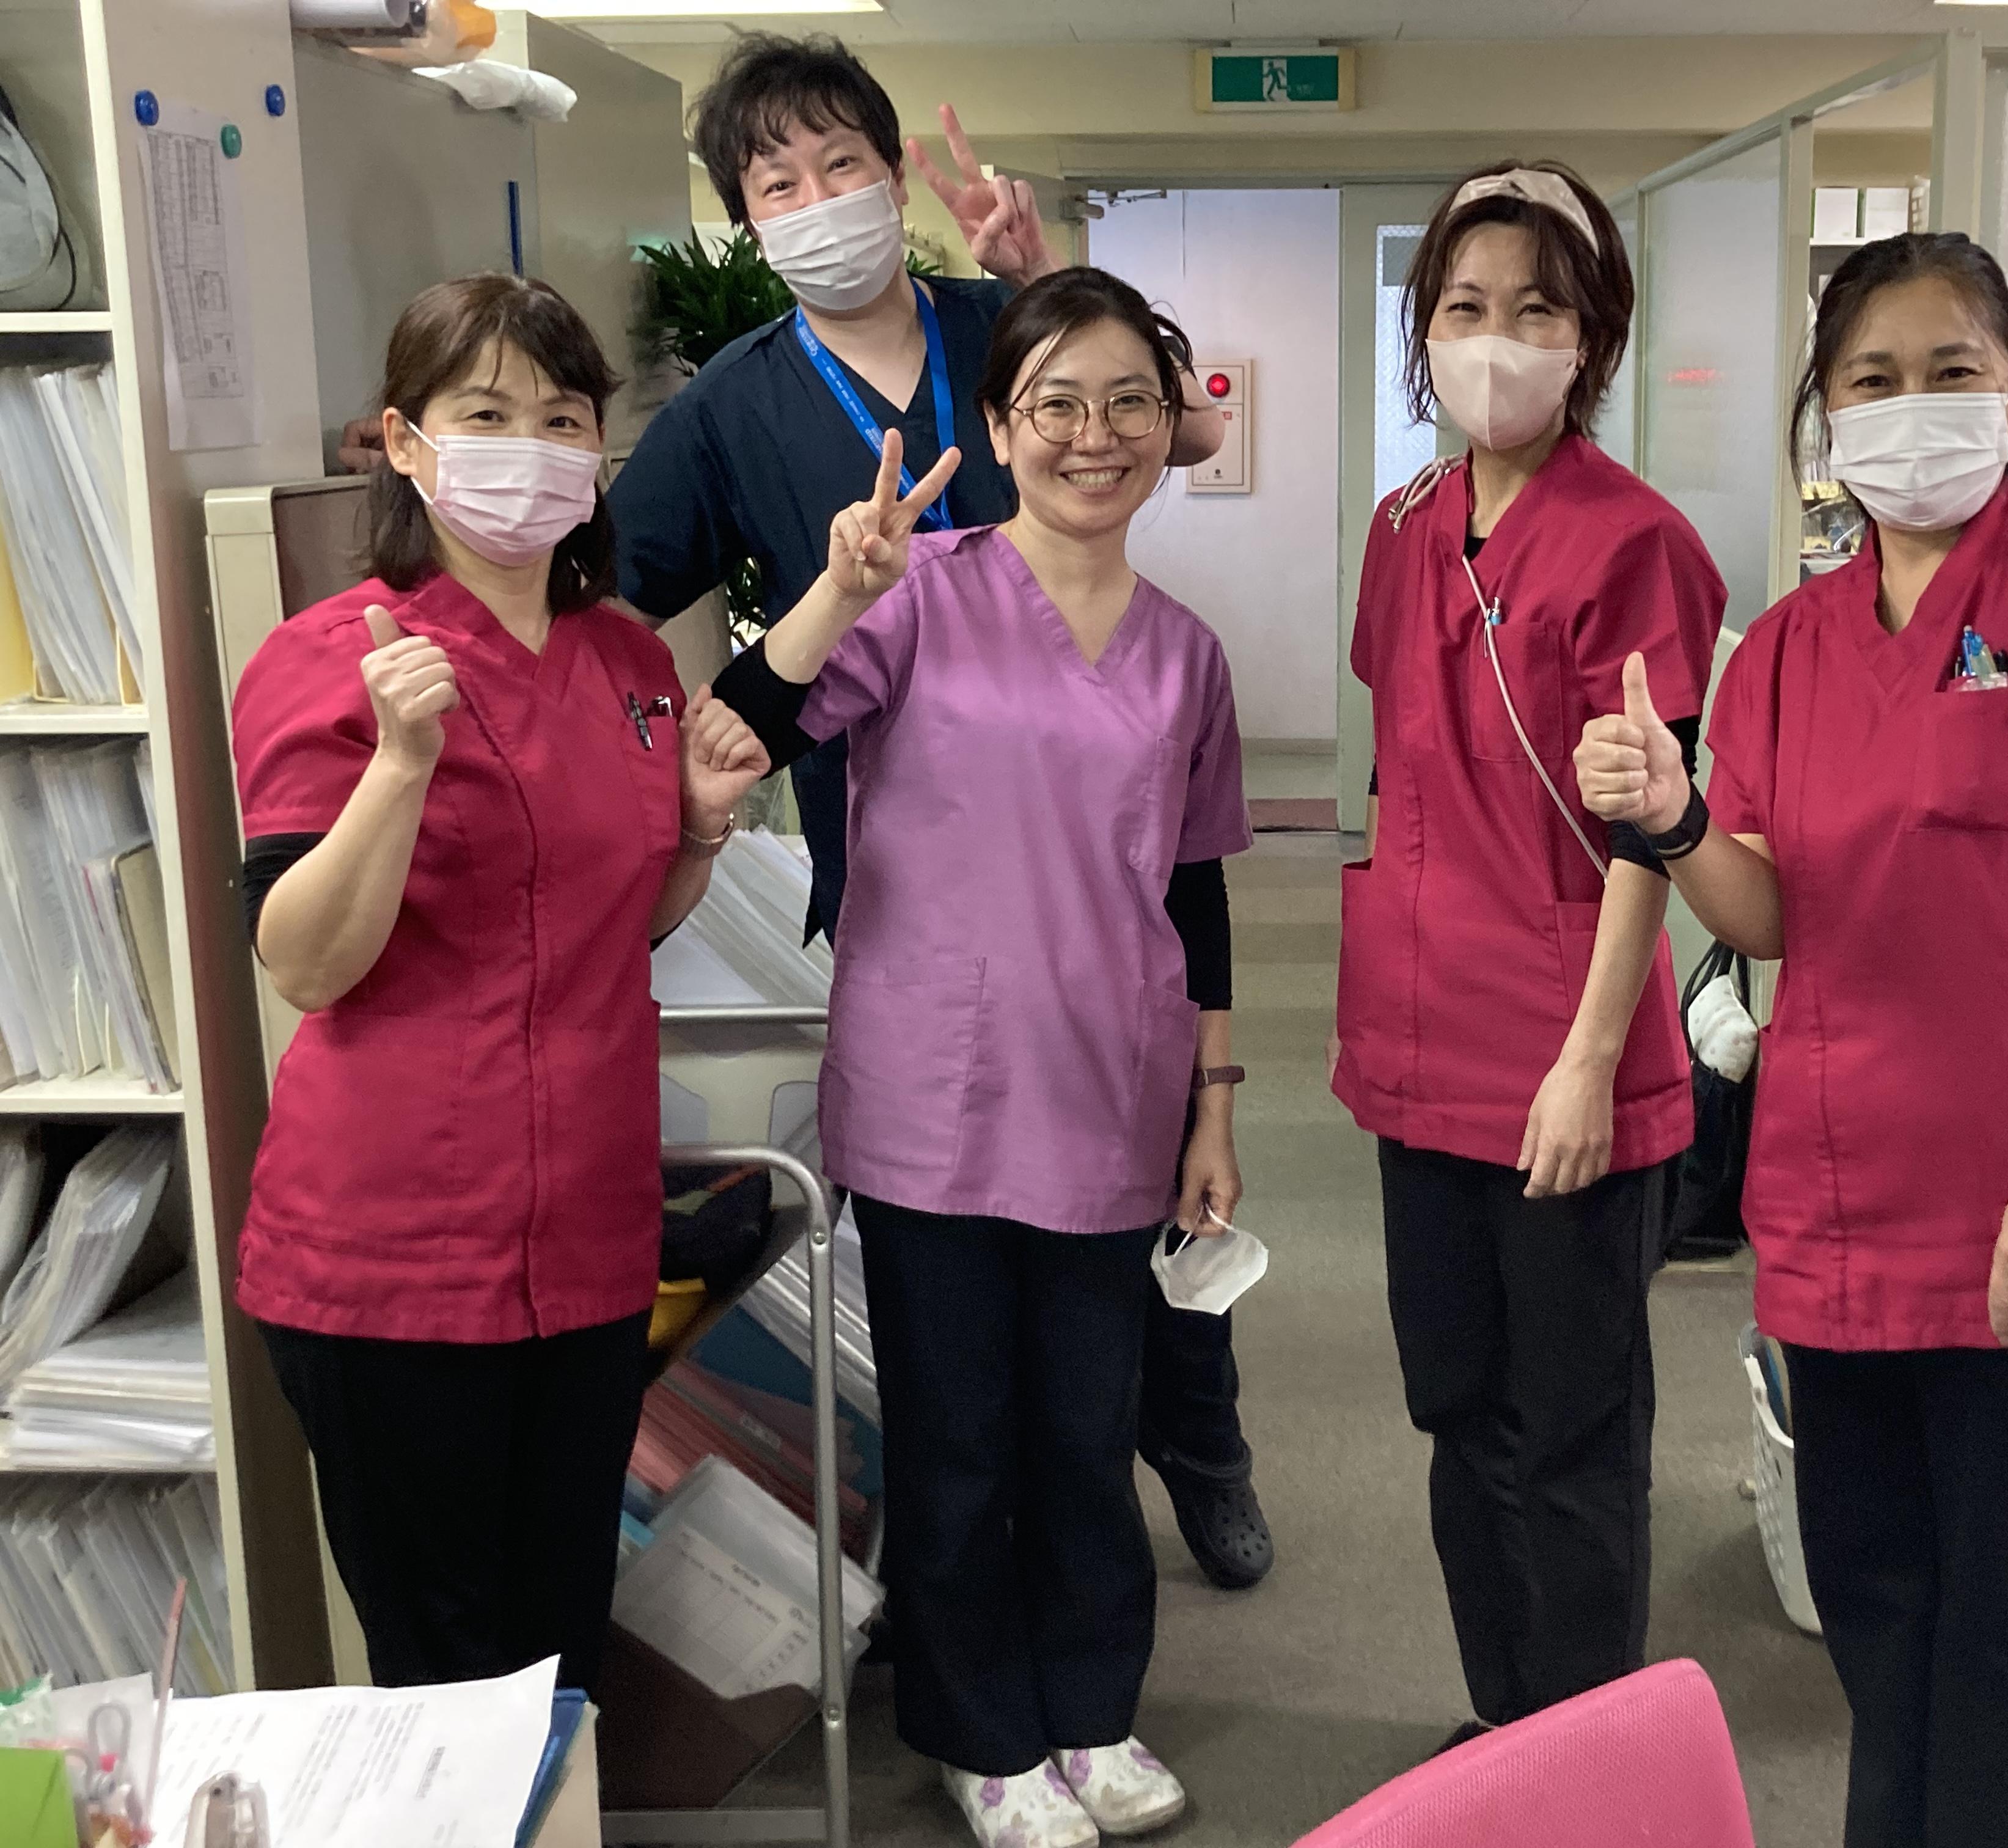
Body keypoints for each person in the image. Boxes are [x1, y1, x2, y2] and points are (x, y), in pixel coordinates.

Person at [1575, 231, 2008, 1848]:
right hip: (1846, 1212)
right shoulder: (1794, 646)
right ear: (1828, 413)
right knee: (1878, 1611)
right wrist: (1674, 820)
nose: (1911, 405)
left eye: (1952, 370)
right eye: (1872, 379)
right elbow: (1770, 915)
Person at [607, 34, 1269, 1594]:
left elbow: (1167, 429)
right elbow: (611, 589)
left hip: (1103, 848)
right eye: (777, 184)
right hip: (913, 863)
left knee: (1135, 1240)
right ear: (743, 221)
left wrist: (1054, 282)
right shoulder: (732, 406)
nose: (817, 200)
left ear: (891, 174)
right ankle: (964, 1587)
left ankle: (1201, 1452)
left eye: (842, 163)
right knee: (958, 1283)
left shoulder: (992, 317)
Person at [713, 268, 1247, 1848]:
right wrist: (837, 590)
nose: (1097, 434)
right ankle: (981, 1736)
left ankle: (1091, 1713)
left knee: (1087, 1436)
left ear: (1169, 426)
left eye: (1131, 401)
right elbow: (743, 727)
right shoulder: (919, 592)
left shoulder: (1188, 655)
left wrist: (1214, 1106)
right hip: (936, 1097)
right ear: (1001, 429)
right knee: (959, 1445)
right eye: (1056, 403)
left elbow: (1196, 891)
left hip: (1113, 1092)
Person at [231, 274, 771, 1698]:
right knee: (448, 1678)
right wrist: (400, 768)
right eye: (484, 415)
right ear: (405, 441)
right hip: (395, 1256)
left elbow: (615, 928)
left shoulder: (627, 661)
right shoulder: (335, 658)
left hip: (586, 1236)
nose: (528, 448)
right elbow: (305, 962)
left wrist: (699, 830)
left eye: (561, 418)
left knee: (560, 1644)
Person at [1330, 163, 1724, 1750]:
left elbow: (1647, 833)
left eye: (1537, 310)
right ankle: (1508, 1736)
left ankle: (1586, 1768)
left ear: (1592, 338)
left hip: (1571, 1055)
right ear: (1424, 332)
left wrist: (1588, 1062)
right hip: (1418, 1046)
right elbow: (1410, 768)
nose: (1497, 339)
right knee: (1460, 1416)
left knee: (1572, 1439)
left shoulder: (1639, 545)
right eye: (1466, 307)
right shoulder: (1405, 528)